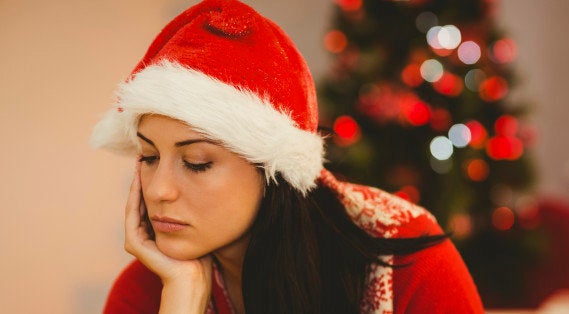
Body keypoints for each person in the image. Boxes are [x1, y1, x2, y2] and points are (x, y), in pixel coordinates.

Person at [91, 0, 484, 313]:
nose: (158, 190)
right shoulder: (151, 285)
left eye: (197, 162)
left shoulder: (406, 263)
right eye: (148, 156)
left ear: (273, 169)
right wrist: (182, 298)